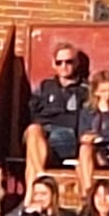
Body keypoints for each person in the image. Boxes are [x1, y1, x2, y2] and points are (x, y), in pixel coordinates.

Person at [24, 43, 87, 185]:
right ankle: (41, 177)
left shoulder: (85, 90)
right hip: (42, 134)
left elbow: (82, 119)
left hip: (66, 135)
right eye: (59, 62)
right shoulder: (45, 86)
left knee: (32, 154)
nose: (64, 66)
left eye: (69, 62)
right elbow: (32, 112)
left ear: (76, 63)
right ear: (54, 64)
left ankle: (33, 190)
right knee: (33, 130)